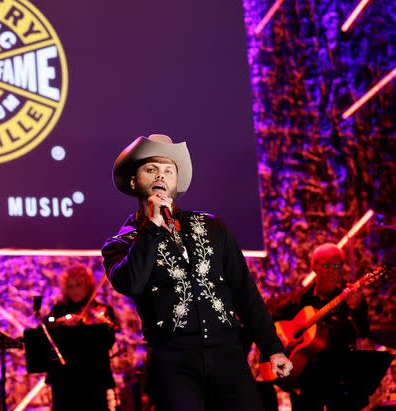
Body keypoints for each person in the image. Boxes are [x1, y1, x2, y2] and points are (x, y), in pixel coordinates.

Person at [101, 134, 292, 411]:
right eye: (151, 169)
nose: (161, 176)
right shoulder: (122, 243)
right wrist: (151, 229)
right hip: (173, 361)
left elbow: (244, 290)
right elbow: (132, 283)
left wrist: (272, 346)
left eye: (168, 170)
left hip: (228, 354)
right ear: (134, 181)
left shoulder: (212, 227)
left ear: (177, 182)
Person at [267, 243, 370, 410]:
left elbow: (364, 332)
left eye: (336, 266)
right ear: (314, 267)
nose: (331, 270)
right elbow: (268, 312)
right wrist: (276, 337)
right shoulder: (299, 299)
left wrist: (355, 309)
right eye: (326, 265)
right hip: (304, 380)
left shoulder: (352, 298)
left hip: (340, 379)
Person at [45, 264, 117, 411]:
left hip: (93, 377)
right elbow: (47, 336)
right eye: (70, 286)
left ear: (88, 285)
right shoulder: (57, 311)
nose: (74, 290)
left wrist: (89, 322)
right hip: (64, 379)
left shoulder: (101, 311)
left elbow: (108, 341)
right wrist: (61, 324)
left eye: (78, 285)